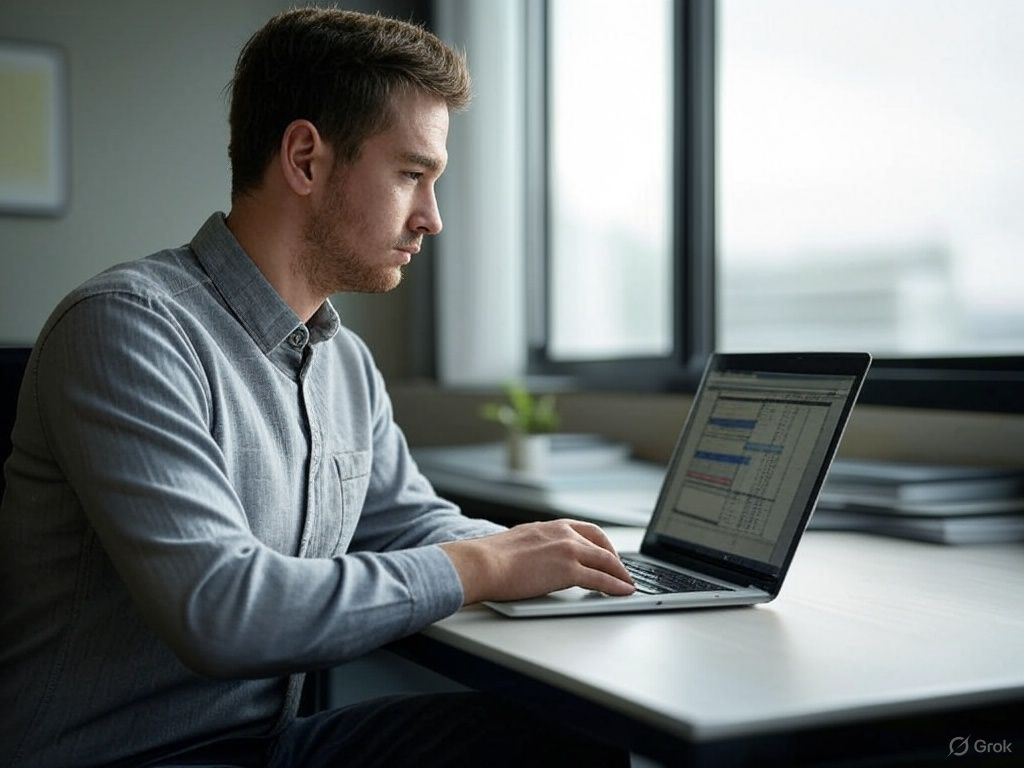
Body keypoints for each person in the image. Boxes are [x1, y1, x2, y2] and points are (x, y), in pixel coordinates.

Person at [0, 8, 635, 767]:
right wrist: (485, 567)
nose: (433, 219)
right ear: (305, 159)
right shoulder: (127, 330)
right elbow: (222, 610)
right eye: (412, 175)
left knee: (567, 744)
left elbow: (407, 521)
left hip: (266, 746)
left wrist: (556, 555)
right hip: (125, 758)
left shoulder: (346, 364)